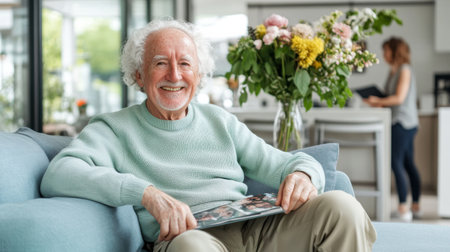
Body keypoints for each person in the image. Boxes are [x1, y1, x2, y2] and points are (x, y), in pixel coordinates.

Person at [41, 19, 376, 251]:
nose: (174, 75)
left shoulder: (220, 121)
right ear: (138, 75)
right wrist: (146, 194)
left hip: (256, 232)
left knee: (340, 206)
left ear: (198, 75)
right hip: (189, 239)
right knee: (191, 246)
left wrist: (305, 174)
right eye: (160, 63)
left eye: (185, 64)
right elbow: (59, 174)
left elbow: (288, 162)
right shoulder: (114, 128)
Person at [364, 37, 421, 222]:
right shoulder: (393, 71)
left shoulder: (404, 69)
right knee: (407, 164)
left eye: (386, 50)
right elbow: (390, 97)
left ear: (395, 50)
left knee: (396, 162)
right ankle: (415, 206)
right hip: (399, 121)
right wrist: (378, 100)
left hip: (403, 123)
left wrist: (378, 101)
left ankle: (403, 207)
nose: (384, 54)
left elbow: (399, 98)